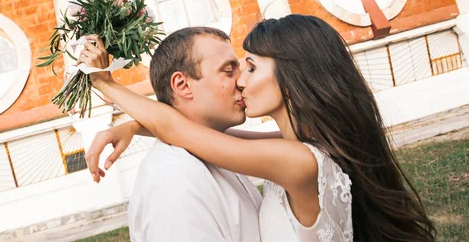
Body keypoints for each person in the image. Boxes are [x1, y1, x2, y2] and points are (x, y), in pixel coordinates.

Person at [81, 15, 436, 241]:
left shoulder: (299, 161)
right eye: (233, 69)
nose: (240, 81)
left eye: (249, 67)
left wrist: (105, 84)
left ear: (292, 74)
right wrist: (133, 126)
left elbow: (188, 134)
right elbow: (207, 135)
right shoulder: (309, 147)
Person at [86, 27, 263, 241]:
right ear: (182, 85)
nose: (242, 81)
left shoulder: (220, 151)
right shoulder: (174, 182)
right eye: (228, 71)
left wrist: (134, 123)